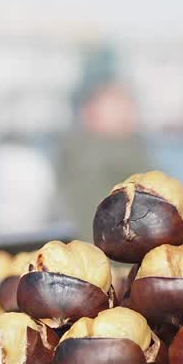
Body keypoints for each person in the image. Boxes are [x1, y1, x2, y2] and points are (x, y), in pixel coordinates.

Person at [55, 47, 154, 239]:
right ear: (90, 109)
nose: (129, 107)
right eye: (117, 99)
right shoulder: (97, 154)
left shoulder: (115, 147)